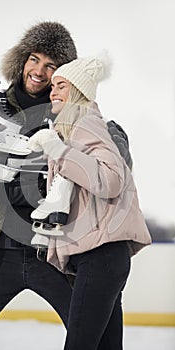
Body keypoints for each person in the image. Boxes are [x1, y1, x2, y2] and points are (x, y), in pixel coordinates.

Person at [0, 21, 132, 349]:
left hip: (53, 254)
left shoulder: (77, 119)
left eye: (52, 66)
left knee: (96, 341)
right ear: (21, 61)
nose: (39, 72)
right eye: (34, 59)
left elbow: (106, 174)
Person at [29, 57, 152, 350]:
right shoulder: (72, 129)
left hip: (101, 256)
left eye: (62, 85)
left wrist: (56, 148)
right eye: (52, 86)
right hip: (101, 257)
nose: (52, 91)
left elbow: (111, 180)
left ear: (80, 91)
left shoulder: (86, 123)